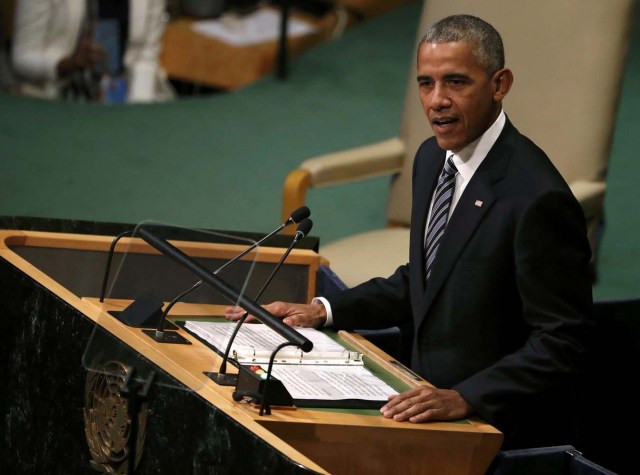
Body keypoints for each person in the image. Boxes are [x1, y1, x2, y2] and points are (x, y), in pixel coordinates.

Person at [226, 14, 593, 450]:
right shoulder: (431, 160)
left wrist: (466, 397)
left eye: (456, 82)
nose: (437, 100)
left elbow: (562, 341)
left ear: (499, 84)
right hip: (416, 401)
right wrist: (324, 310)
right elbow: (424, 281)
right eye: (426, 83)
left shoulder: (536, 197)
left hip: (493, 432)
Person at [11, 0, 174, 102]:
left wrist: (137, 109)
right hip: (57, 98)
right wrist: (69, 64)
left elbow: (146, 54)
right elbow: (22, 57)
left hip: (126, 95)